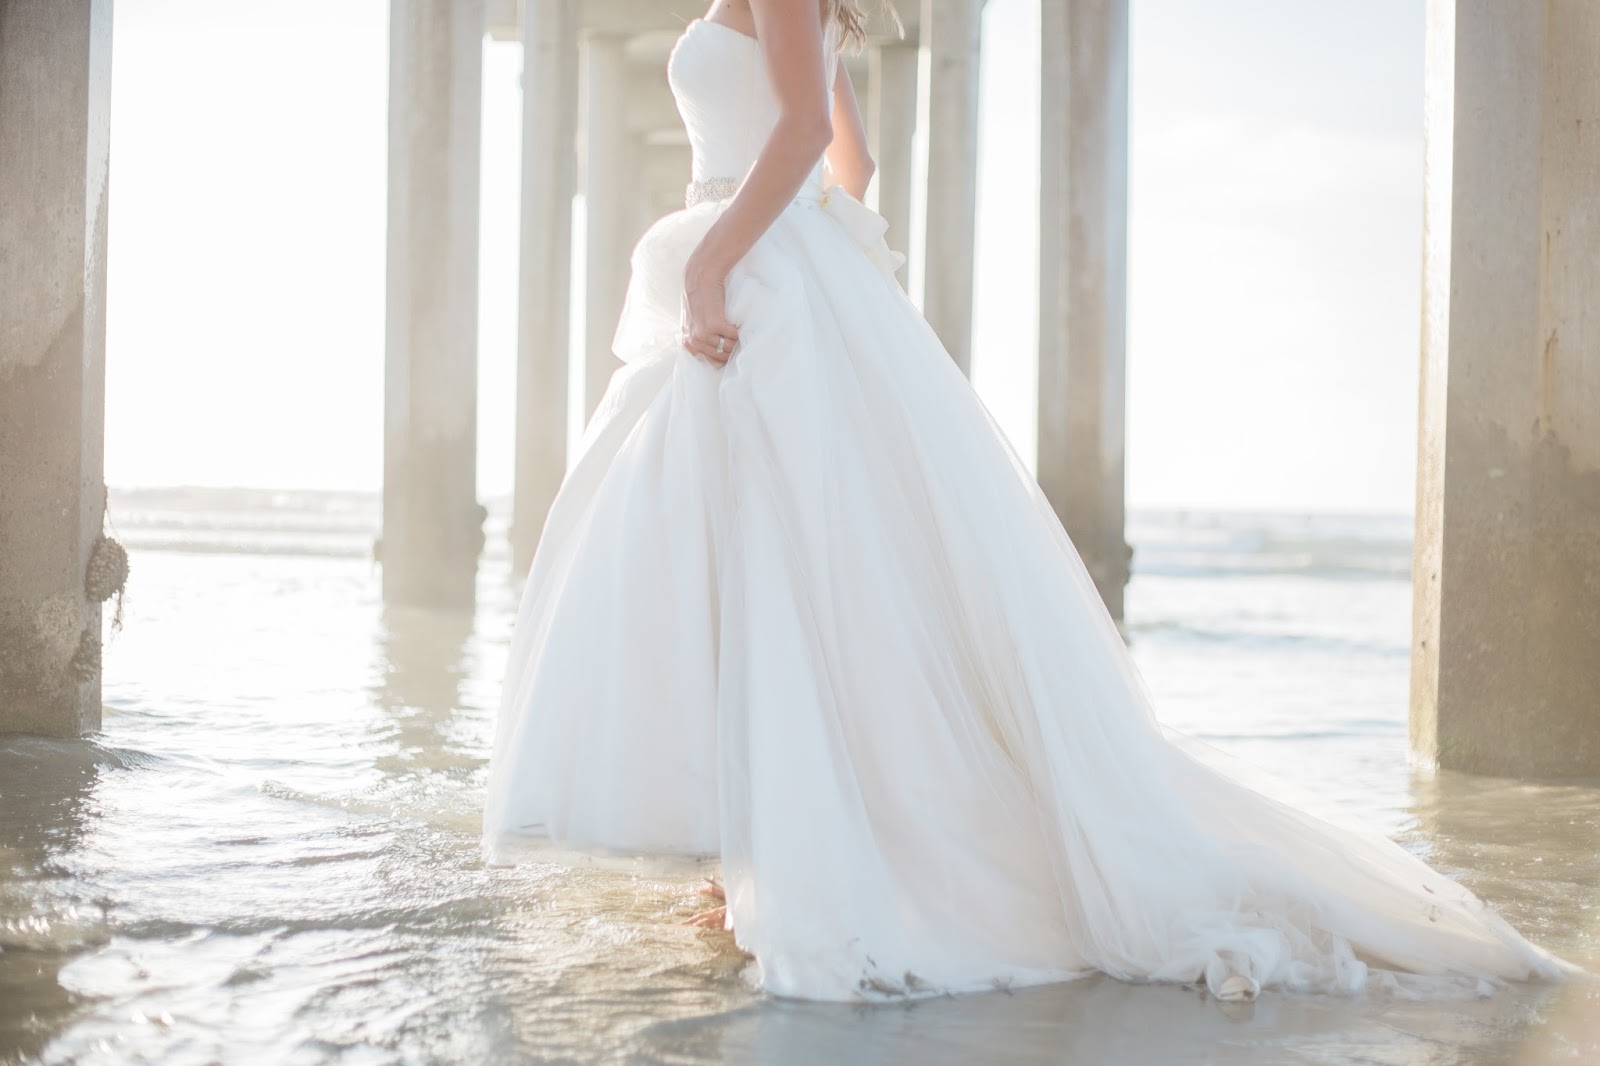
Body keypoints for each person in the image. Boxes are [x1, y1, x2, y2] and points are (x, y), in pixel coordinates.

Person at [481, 0, 1577, 1004]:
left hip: (752, 268)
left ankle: (804, 858)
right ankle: (768, 850)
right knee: (780, 565)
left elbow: (811, 138)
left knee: (779, 565)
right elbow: (855, 164)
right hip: (787, 275)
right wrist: (816, 272)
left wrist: (719, 257)